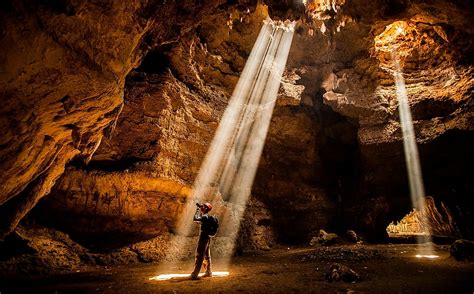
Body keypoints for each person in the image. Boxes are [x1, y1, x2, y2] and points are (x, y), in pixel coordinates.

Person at [190, 202, 217, 279]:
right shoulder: (206, 217)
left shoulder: (205, 217)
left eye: (203, 206)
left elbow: (195, 218)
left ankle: (195, 274)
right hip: (207, 238)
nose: (202, 207)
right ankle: (209, 272)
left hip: (203, 238)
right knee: (207, 255)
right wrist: (200, 208)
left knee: (200, 255)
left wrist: (197, 210)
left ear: (206, 209)